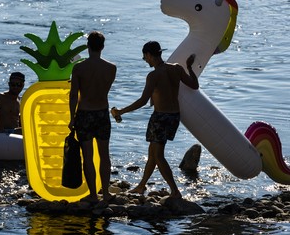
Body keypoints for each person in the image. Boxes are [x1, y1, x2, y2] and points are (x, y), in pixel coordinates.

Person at [112, 41, 199, 199]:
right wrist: (190, 68)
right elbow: (194, 85)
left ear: (149, 55)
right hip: (174, 116)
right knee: (153, 153)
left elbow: (143, 101)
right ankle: (141, 186)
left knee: (158, 156)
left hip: (160, 117)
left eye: (145, 57)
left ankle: (175, 191)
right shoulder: (177, 69)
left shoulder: (153, 75)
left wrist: (121, 111)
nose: (145, 60)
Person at [69, 31, 117, 203]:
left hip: (84, 114)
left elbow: (74, 95)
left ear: (87, 46)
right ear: (102, 47)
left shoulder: (79, 68)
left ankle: (92, 195)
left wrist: (71, 118)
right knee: (105, 155)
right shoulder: (111, 68)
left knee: (87, 156)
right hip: (102, 113)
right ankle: (105, 193)